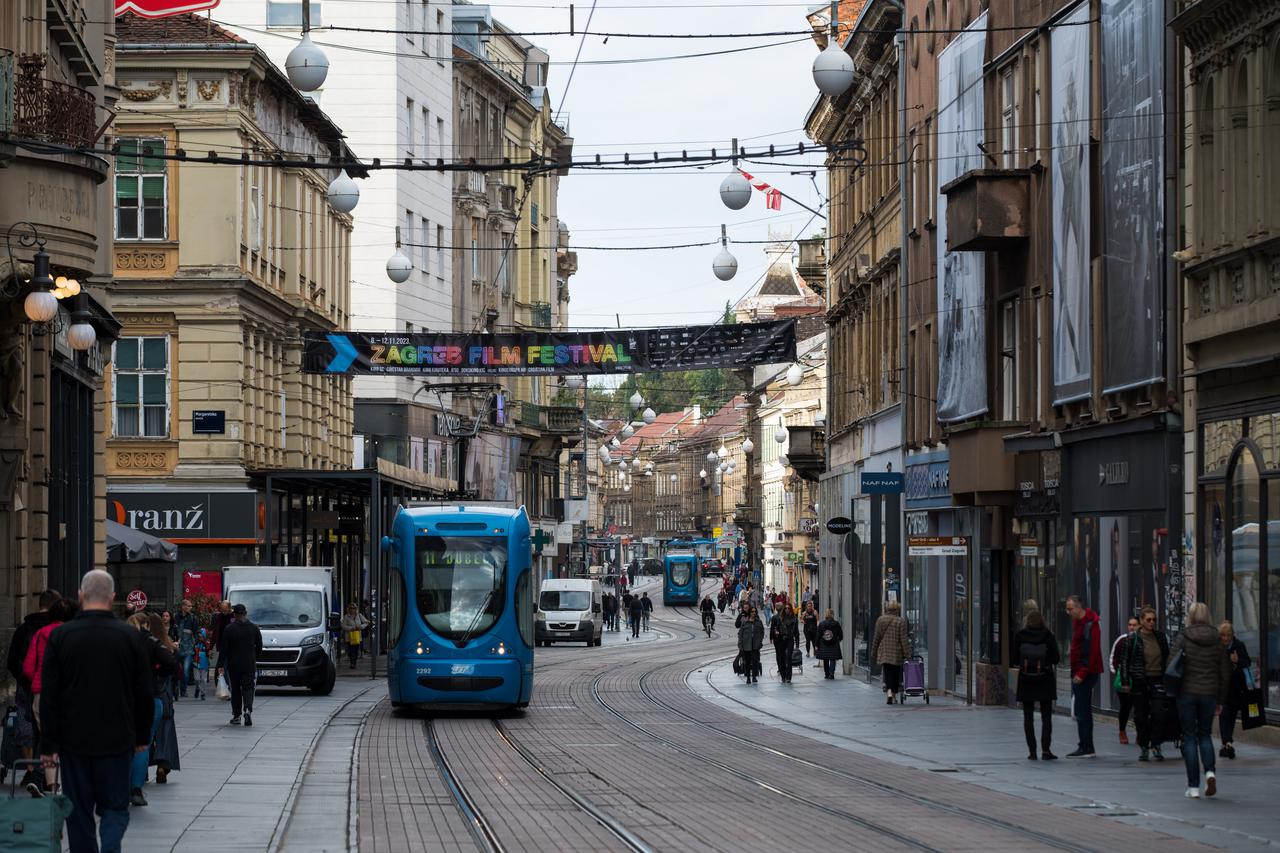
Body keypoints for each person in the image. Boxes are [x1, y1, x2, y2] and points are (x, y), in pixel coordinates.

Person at [39, 570, 153, 853]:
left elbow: (49, 695)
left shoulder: (61, 636)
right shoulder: (129, 637)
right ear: (113, 597)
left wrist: (49, 744)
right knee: (115, 804)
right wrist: (141, 735)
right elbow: (144, 693)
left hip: (74, 739)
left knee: (78, 808)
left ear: (80, 596)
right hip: (118, 737)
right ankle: (111, 846)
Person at [1173, 602, 1231, 799]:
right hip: (1209, 693)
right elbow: (1225, 672)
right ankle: (1210, 772)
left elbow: (1171, 664)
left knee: (1189, 737)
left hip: (1187, 692)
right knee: (1205, 735)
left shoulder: (1184, 636)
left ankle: (1193, 787)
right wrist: (1220, 700)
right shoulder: (1217, 639)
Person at [21, 597, 77, 795]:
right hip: (69, 692)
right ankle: (66, 783)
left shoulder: (40, 634)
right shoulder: (73, 634)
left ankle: (49, 783)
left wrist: (38, 679)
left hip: (41, 692)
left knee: (48, 736)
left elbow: (27, 667)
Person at [1120, 606, 1169, 762]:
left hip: (1157, 679)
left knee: (1158, 712)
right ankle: (1143, 746)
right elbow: (1124, 661)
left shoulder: (1160, 637)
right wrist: (1126, 681)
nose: (1152, 622)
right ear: (1141, 621)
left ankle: (1156, 744)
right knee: (1140, 716)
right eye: (1148, 620)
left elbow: (1167, 658)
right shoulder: (1132, 639)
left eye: (1154, 620)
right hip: (1140, 681)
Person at [1014, 609, 1060, 760]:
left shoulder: (1020, 636)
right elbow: (1056, 658)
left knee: (1028, 717)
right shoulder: (1048, 635)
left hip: (1026, 680)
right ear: (1042, 621)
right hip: (1045, 679)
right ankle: (1046, 751)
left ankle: (1032, 752)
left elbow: (1014, 658)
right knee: (1046, 717)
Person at [144, 612, 181, 793]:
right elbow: (177, 673)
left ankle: (141, 768)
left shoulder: (144, 645)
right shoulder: (169, 647)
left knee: (145, 733)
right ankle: (163, 765)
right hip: (164, 695)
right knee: (165, 731)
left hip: (146, 695)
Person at [1065, 595, 1103, 757]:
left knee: (1082, 710)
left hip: (1085, 672)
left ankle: (1086, 746)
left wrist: (1082, 672)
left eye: (1070, 608)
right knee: (1083, 709)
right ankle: (1086, 744)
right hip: (1080, 670)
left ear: (1079, 608)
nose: (1068, 612)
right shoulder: (1079, 623)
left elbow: (1091, 651)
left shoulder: (1090, 624)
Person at [221, 603, 263, 727]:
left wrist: (220, 664)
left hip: (234, 665)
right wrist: (255, 657)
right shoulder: (254, 628)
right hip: (249, 663)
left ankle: (237, 715)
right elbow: (260, 647)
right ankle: (248, 710)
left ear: (234, 614)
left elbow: (224, 649)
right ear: (245, 613)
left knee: (236, 689)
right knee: (248, 688)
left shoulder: (229, 629)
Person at [1218, 620, 1251, 760]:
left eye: (1228, 635)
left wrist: (1237, 661)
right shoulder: (1218, 648)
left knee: (1230, 717)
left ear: (1232, 635)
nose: (1226, 639)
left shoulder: (1239, 646)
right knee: (1224, 714)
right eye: (1223, 636)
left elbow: (1247, 662)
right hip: (1222, 688)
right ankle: (1228, 742)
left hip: (1237, 688)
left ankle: (1227, 744)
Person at [871, 601, 911, 704]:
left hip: (884, 650)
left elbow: (876, 638)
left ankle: (889, 693)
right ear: (897, 609)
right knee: (895, 674)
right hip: (896, 652)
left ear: (887, 608)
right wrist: (907, 653)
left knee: (887, 672)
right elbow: (904, 639)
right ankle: (893, 695)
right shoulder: (901, 621)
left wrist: (873, 651)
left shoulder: (880, 620)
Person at [1110, 616, 1140, 744]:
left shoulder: (1142, 640)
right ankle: (1122, 731)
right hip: (1124, 679)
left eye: (1134, 625)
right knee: (1125, 707)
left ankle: (1140, 733)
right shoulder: (1122, 640)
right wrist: (1117, 673)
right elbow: (1113, 658)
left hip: (1138, 679)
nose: (1132, 627)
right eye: (1130, 624)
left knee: (1139, 707)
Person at [173, 599, 198, 698]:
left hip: (188, 648)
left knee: (186, 671)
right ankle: (175, 689)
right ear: (183, 606)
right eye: (188, 606)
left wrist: (194, 644)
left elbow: (195, 633)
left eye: (191, 606)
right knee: (175, 670)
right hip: (177, 647)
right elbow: (174, 631)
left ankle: (183, 690)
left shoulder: (193, 618)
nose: (190, 608)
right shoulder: (176, 617)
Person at [770, 602, 799, 683]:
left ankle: (789, 677)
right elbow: (776, 628)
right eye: (785, 608)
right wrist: (775, 633)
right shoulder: (780, 618)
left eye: (788, 608)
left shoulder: (794, 619)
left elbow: (796, 632)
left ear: (791, 609)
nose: (787, 610)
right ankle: (783, 676)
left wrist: (797, 644)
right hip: (781, 640)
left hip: (790, 639)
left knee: (789, 657)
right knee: (782, 658)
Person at [735, 605, 764, 684]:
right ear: (750, 613)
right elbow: (741, 633)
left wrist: (760, 641)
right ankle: (748, 677)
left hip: (755, 645)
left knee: (755, 661)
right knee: (747, 662)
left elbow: (762, 632)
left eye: (755, 612)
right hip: (746, 644)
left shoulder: (759, 622)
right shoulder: (745, 622)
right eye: (752, 612)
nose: (754, 613)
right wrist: (740, 644)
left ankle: (754, 676)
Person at [815, 608, 843, 679]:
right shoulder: (836, 624)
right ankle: (831, 674)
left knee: (825, 659)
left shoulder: (822, 624)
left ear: (826, 614)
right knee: (833, 659)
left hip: (824, 644)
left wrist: (816, 644)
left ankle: (826, 674)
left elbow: (818, 635)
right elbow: (840, 634)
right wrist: (838, 640)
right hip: (834, 644)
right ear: (833, 615)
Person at [341, 603, 370, 669]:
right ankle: (352, 663)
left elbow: (366, 622)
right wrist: (351, 628)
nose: (352, 610)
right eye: (350, 608)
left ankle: (354, 662)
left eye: (353, 608)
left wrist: (360, 627)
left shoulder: (359, 615)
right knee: (351, 650)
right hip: (349, 637)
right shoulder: (346, 616)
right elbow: (343, 626)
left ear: (356, 609)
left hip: (357, 636)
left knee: (356, 650)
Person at [211, 599, 233, 683]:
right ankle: (223, 684)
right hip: (222, 646)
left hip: (232, 646)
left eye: (224, 610)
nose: (223, 612)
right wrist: (211, 646)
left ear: (229, 608)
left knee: (227, 666)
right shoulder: (219, 617)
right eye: (221, 610)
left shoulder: (234, 616)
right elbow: (215, 632)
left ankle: (228, 685)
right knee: (222, 665)